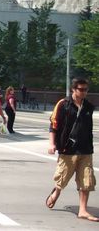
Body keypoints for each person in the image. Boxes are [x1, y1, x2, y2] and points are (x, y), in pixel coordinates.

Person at [46, 77, 98, 222]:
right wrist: (52, 144)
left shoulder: (88, 106)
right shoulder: (63, 105)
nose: (84, 92)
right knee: (62, 177)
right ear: (73, 90)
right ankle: (56, 192)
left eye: (86, 90)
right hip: (67, 148)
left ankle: (83, 210)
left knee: (86, 181)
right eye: (81, 89)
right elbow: (54, 125)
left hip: (85, 149)